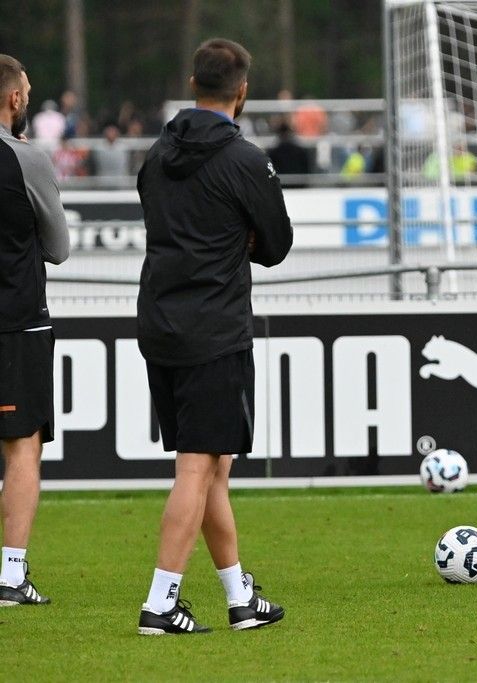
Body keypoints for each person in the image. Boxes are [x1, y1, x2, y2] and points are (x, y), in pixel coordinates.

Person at [135, 38, 293, 635]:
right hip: (214, 328)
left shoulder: (155, 153)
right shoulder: (246, 160)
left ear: (193, 82)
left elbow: (162, 222)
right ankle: (160, 601)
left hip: (160, 321)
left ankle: (239, 598)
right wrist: (240, 237)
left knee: (212, 465)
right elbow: (276, 245)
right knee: (197, 468)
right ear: (242, 91)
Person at [0, 54, 70, 606]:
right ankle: (11, 574)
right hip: (15, 322)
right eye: (25, 88)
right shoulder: (26, 160)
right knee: (21, 447)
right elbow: (59, 247)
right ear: (15, 99)